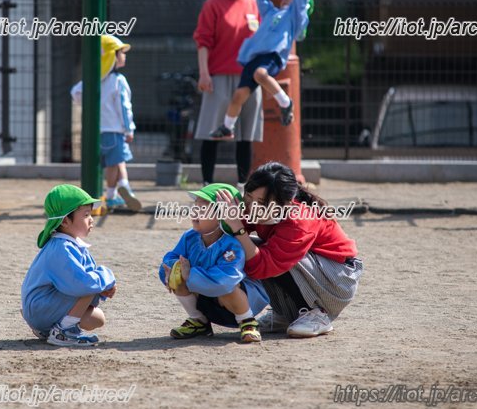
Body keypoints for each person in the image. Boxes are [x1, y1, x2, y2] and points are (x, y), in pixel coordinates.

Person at [216, 162, 363, 338]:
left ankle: (315, 314)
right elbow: (230, 237)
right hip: (314, 270)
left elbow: (265, 265)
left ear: (283, 203)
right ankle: (284, 314)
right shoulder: (255, 207)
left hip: (338, 280)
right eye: (248, 197)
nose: (252, 207)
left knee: (263, 251)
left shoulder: (299, 220)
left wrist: (238, 229)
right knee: (240, 245)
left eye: (261, 202)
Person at [210, 0, 314, 138]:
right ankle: (228, 126)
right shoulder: (271, 13)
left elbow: (302, 0)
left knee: (260, 74)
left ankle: (286, 102)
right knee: (239, 95)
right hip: (255, 57)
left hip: (272, 54)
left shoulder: (295, 18)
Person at [158, 183, 268, 343]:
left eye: (202, 210)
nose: (195, 212)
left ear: (222, 218)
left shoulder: (232, 244)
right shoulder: (190, 237)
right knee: (177, 276)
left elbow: (225, 281)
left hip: (236, 305)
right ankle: (199, 321)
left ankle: (248, 322)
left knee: (228, 288)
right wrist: (173, 271)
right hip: (207, 300)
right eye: (194, 207)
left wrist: (190, 275)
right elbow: (171, 259)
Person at [193, 0, 263, 192]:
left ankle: (244, 188)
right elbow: (203, 41)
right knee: (212, 131)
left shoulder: (255, 5)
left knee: (245, 134)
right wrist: (204, 73)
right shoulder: (213, 5)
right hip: (219, 75)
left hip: (249, 78)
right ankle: (206, 187)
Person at [21, 184, 117, 347]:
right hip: (40, 309)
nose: (91, 219)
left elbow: (86, 281)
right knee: (88, 286)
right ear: (65, 221)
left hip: (41, 308)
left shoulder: (68, 244)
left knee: (96, 318)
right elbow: (82, 284)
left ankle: (49, 329)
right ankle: (63, 333)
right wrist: (107, 277)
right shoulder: (62, 247)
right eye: (86, 215)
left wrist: (102, 288)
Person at [70, 35, 141, 211]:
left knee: (115, 161)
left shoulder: (93, 79)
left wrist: (86, 104)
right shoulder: (118, 80)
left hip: (96, 131)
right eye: (121, 52)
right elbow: (125, 108)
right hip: (115, 130)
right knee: (115, 162)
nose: (124, 56)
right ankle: (113, 193)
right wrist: (129, 128)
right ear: (112, 56)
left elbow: (75, 93)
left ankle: (120, 189)